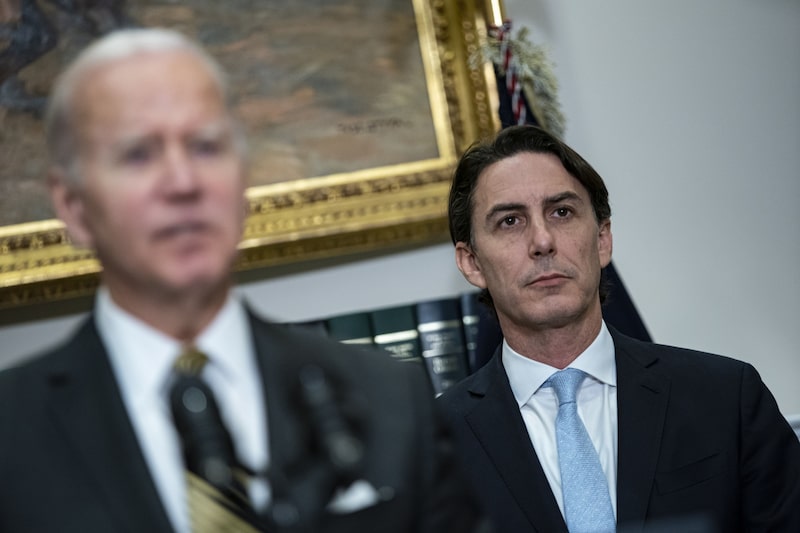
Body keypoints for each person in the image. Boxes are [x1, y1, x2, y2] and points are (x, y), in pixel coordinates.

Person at [0, 28, 485, 533]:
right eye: (138, 155)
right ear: (73, 206)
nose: (183, 182)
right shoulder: (12, 433)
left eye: (206, 147)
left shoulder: (388, 399)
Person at [438, 124, 800, 532]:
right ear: (471, 262)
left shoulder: (727, 398)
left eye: (562, 212)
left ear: (603, 239)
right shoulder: (433, 446)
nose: (542, 240)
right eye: (509, 221)